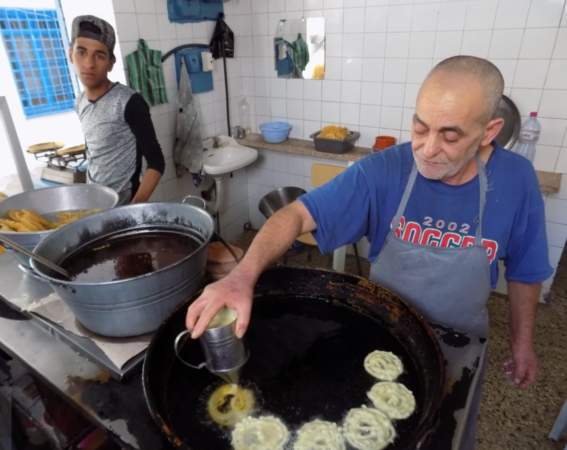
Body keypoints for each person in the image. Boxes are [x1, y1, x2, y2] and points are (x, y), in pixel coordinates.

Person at [185, 56, 552, 449]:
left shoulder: (516, 180)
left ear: (488, 131)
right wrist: (242, 276)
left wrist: (521, 343)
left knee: (448, 431)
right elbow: (294, 215)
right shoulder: (384, 170)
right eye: (420, 127)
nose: (427, 150)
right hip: (383, 331)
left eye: (450, 136)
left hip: (461, 341)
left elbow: (526, 269)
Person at [69, 15, 165, 204]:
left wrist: (133, 209)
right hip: (95, 202)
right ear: (70, 55)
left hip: (124, 205)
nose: (89, 63)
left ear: (111, 63)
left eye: (99, 55)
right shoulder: (79, 101)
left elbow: (157, 163)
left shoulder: (129, 102)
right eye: (82, 52)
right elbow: (94, 150)